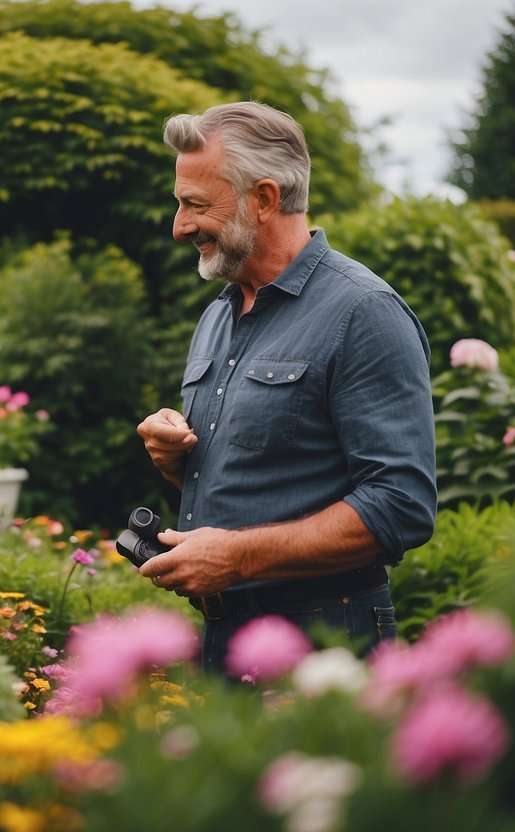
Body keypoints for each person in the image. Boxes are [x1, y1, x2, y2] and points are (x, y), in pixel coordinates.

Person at [136, 101, 436, 675]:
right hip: (228, 638)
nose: (179, 226)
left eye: (195, 204)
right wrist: (176, 458)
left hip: (324, 645)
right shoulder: (220, 314)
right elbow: (265, 472)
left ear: (265, 198)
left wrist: (236, 558)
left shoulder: (364, 312)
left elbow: (401, 506)